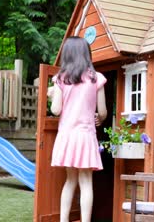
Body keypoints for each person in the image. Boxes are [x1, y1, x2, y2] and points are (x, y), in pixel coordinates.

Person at [47, 36, 107, 222]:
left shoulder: (61, 79)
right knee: (86, 181)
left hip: (67, 136)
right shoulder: (96, 78)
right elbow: (103, 111)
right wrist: (98, 118)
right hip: (86, 135)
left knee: (70, 181)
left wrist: (51, 96)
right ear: (86, 55)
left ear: (67, 55)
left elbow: (56, 110)